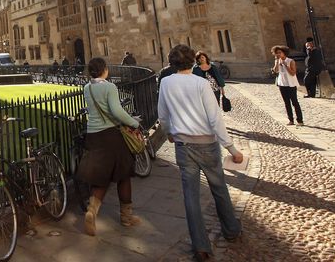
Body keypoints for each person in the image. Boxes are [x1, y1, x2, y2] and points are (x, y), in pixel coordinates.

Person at [158, 44, 243, 260]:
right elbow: (215, 118)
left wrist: (169, 133)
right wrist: (231, 147)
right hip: (207, 144)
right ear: (193, 62)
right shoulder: (201, 83)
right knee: (219, 187)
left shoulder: (166, 83)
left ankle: (201, 246)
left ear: (171, 62)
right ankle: (231, 229)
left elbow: (163, 114)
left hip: (183, 145)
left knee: (190, 196)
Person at [76, 57, 142, 236]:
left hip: (93, 135)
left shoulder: (87, 88)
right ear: (104, 70)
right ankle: (126, 217)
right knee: (123, 174)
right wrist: (133, 123)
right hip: (110, 135)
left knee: (102, 177)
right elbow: (117, 110)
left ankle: (92, 211)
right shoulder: (109, 87)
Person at [272, 45, 304, 125]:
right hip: (282, 84)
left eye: (280, 53)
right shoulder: (278, 61)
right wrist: (276, 63)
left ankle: (300, 120)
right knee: (286, 103)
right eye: (277, 53)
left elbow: (293, 73)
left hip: (291, 84)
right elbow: (275, 71)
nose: (278, 54)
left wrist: (286, 65)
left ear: (284, 53)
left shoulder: (290, 61)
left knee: (295, 102)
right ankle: (291, 120)